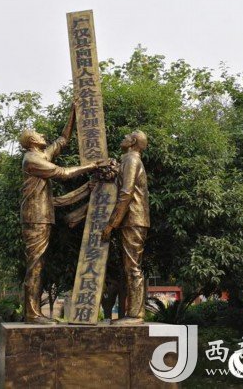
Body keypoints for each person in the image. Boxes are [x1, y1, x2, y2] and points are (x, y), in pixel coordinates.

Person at [20, 105, 102, 324]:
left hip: (42, 216)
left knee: (38, 264)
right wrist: (91, 166)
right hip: (35, 218)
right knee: (35, 265)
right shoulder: (32, 160)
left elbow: (62, 140)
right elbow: (63, 173)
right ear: (32, 141)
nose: (42, 135)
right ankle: (32, 314)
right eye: (38, 134)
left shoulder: (40, 156)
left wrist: (74, 112)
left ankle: (32, 313)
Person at [101, 131, 150, 325]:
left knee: (133, 267)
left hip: (133, 219)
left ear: (133, 142)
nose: (124, 137)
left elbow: (126, 192)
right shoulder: (128, 160)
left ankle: (135, 315)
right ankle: (134, 313)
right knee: (131, 266)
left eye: (128, 136)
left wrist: (111, 224)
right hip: (133, 219)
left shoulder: (131, 159)